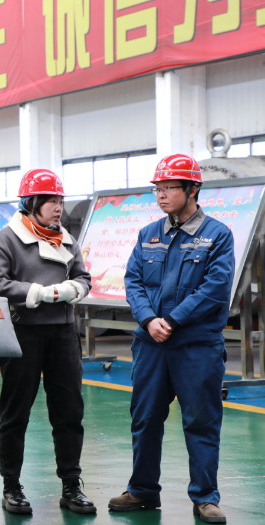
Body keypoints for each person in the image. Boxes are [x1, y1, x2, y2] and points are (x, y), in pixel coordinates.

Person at [110, 154, 234, 524]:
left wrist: (173, 320)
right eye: (158, 189)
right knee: (145, 418)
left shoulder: (217, 235)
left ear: (192, 190)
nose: (161, 195)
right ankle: (143, 490)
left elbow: (215, 288)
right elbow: (133, 281)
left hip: (196, 346)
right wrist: (149, 320)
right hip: (151, 344)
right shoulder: (148, 234)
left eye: (169, 188)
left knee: (201, 421)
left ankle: (205, 498)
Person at [0, 168, 93, 515]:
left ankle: (71, 485)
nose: (58, 207)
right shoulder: (8, 239)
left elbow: (84, 276)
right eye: (49, 200)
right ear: (30, 203)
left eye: (60, 200)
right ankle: (11, 486)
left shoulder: (66, 239)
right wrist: (39, 292)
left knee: (69, 412)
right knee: (15, 412)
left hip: (64, 334)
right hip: (23, 334)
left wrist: (73, 289)